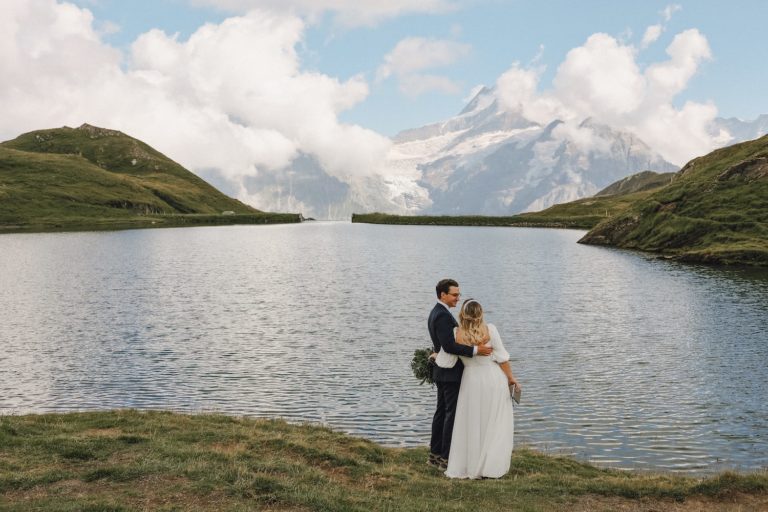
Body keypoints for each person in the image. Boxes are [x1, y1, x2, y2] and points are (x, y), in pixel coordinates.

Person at [444, 298, 520, 479]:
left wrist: (434, 354)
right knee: (494, 423)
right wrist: (511, 379)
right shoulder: (490, 330)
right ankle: (490, 466)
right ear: (481, 314)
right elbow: (502, 358)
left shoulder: (456, 333)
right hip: (493, 380)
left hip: (470, 381)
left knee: (472, 422)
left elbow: (447, 358)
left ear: (462, 314)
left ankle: (471, 465)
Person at [428, 279, 493, 471]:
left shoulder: (437, 312)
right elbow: (449, 346)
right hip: (450, 373)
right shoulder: (442, 316)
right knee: (450, 415)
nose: (458, 298)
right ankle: (445, 459)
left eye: (459, 294)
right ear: (443, 295)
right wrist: (475, 350)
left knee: (441, 413)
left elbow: (441, 345)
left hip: (442, 370)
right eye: (455, 295)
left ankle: (435, 455)